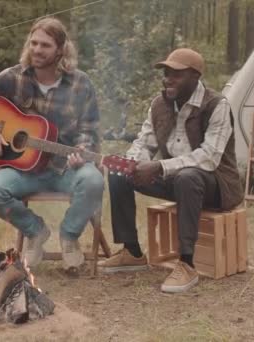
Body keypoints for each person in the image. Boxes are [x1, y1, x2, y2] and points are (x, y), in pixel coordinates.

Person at [0, 17, 104, 274]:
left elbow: (89, 128)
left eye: (45, 45)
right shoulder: (13, 77)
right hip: (23, 170)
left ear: (60, 50)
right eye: (34, 43)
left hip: (64, 168)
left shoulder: (81, 83)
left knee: (93, 180)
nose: (37, 50)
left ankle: (69, 237)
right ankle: (35, 231)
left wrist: (82, 150)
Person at [100, 48, 244, 293]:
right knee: (119, 170)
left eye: (176, 74)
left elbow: (208, 158)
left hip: (216, 185)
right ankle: (132, 251)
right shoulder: (159, 105)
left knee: (188, 177)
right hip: (174, 179)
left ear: (195, 77)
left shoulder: (216, 105)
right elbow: (144, 142)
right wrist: (134, 161)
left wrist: (159, 166)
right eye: (166, 73)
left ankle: (187, 264)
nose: (168, 79)